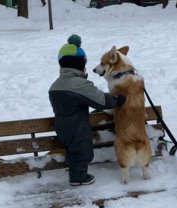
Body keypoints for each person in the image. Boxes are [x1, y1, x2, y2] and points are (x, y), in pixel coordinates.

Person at [49, 34, 125, 186]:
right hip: (77, 126)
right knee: (83, 150)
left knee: (72, 149)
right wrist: (116, 100)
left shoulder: (56, 85)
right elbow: (100, 100)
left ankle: (73, 169)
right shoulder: (80, 85)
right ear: (79, 65)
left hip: (61, 125)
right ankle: (78, 177)